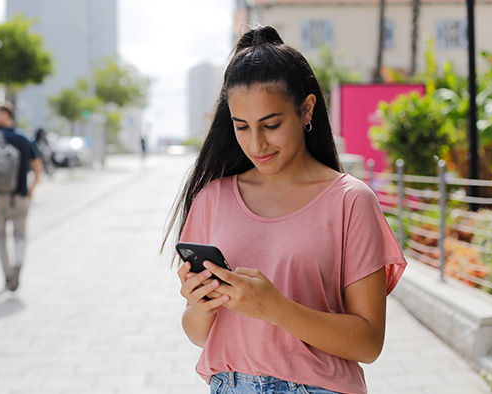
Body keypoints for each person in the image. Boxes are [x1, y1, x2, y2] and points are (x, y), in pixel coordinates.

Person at [163, 26, 407, 394]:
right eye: (241, 127)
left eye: (271, 125)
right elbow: (198, 334)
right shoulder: (212, 200)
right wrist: (200, 307)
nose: (256, 143)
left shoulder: (349, 201)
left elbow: (369, 342)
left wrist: (275, 308)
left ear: (306, 109)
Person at [0, 103, 42, 292]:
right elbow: (38, 168)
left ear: (5, 115)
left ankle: (7, 274)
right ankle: (18, 265)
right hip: (20, 197)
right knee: (21, 237)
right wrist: (31, 189)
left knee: (1, 237)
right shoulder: (24, 139)